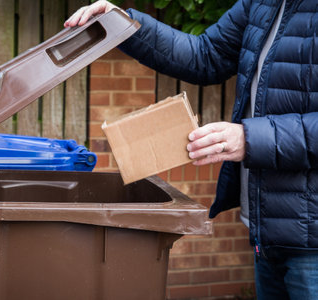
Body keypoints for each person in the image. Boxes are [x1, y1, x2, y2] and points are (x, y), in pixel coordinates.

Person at [66, 1, 318, 299]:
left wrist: (250, 139)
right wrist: (125, 24)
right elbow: (205, 55)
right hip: (268, 230)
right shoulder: (263, 3)